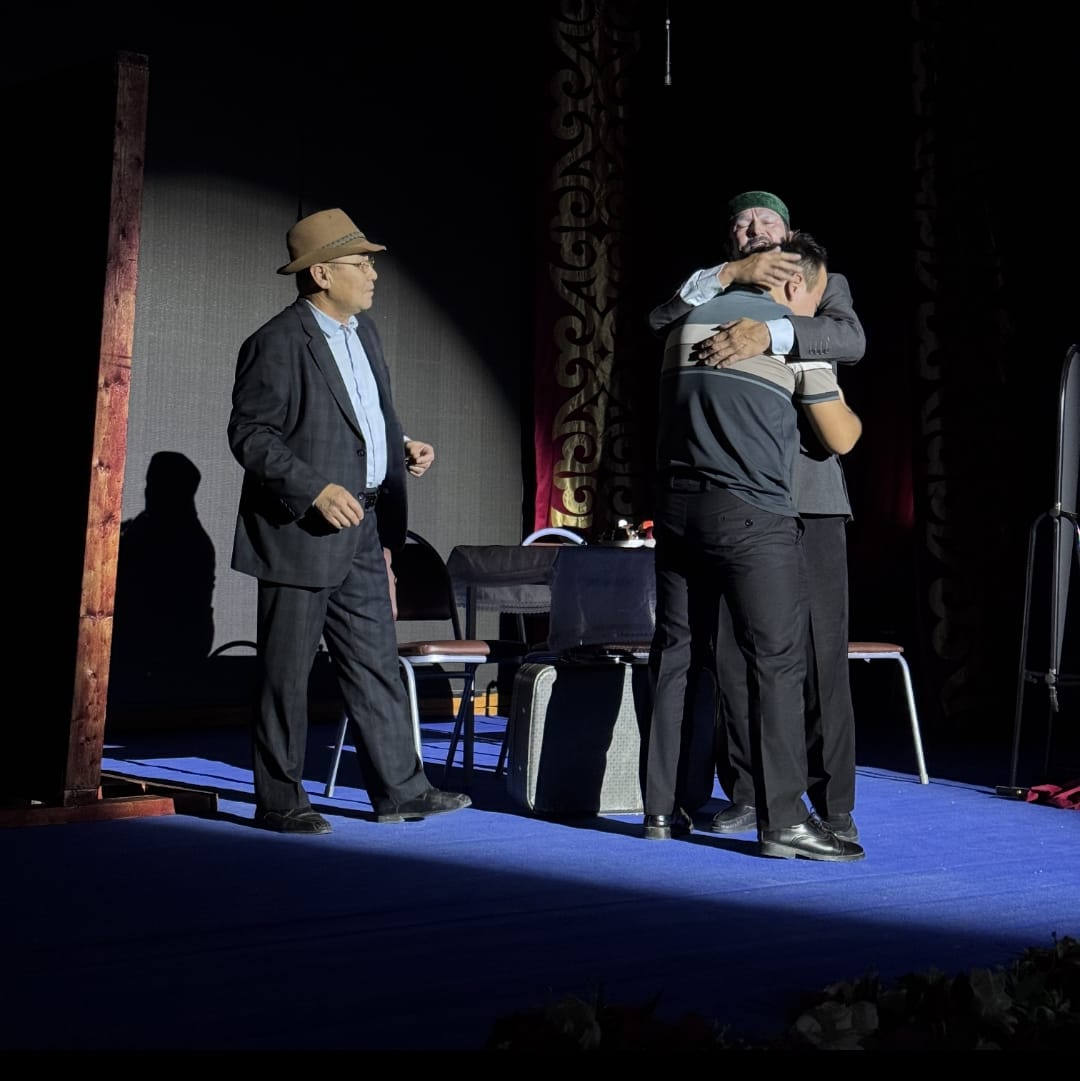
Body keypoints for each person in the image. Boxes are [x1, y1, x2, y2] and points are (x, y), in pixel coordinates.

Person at [228, 207, 470, 834]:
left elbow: (361, 418)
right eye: (361, 263)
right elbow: (251, 435)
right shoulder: (279, 341)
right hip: (301, 532)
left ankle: (402, 790)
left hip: (364, 524)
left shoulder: (364, 334)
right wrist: (313, 490)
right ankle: (281, 801)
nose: (373, 274)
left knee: (374, 660)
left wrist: (400, 446)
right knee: (286, 674)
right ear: (322, 273)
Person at [649, 191, 865, 844]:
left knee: (814, 655)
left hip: (805, 494)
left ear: (790, 235)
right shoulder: (709, 292)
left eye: (768, 221)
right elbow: (660, 317)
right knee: (733, 657)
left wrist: (775, 332)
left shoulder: (818, 280)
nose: (755, 229)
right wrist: (729, 283)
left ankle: (831, 806)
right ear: (731, 243)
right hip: (736, 490)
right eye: (742, 224)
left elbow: (850, 339)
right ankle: (752, 794)